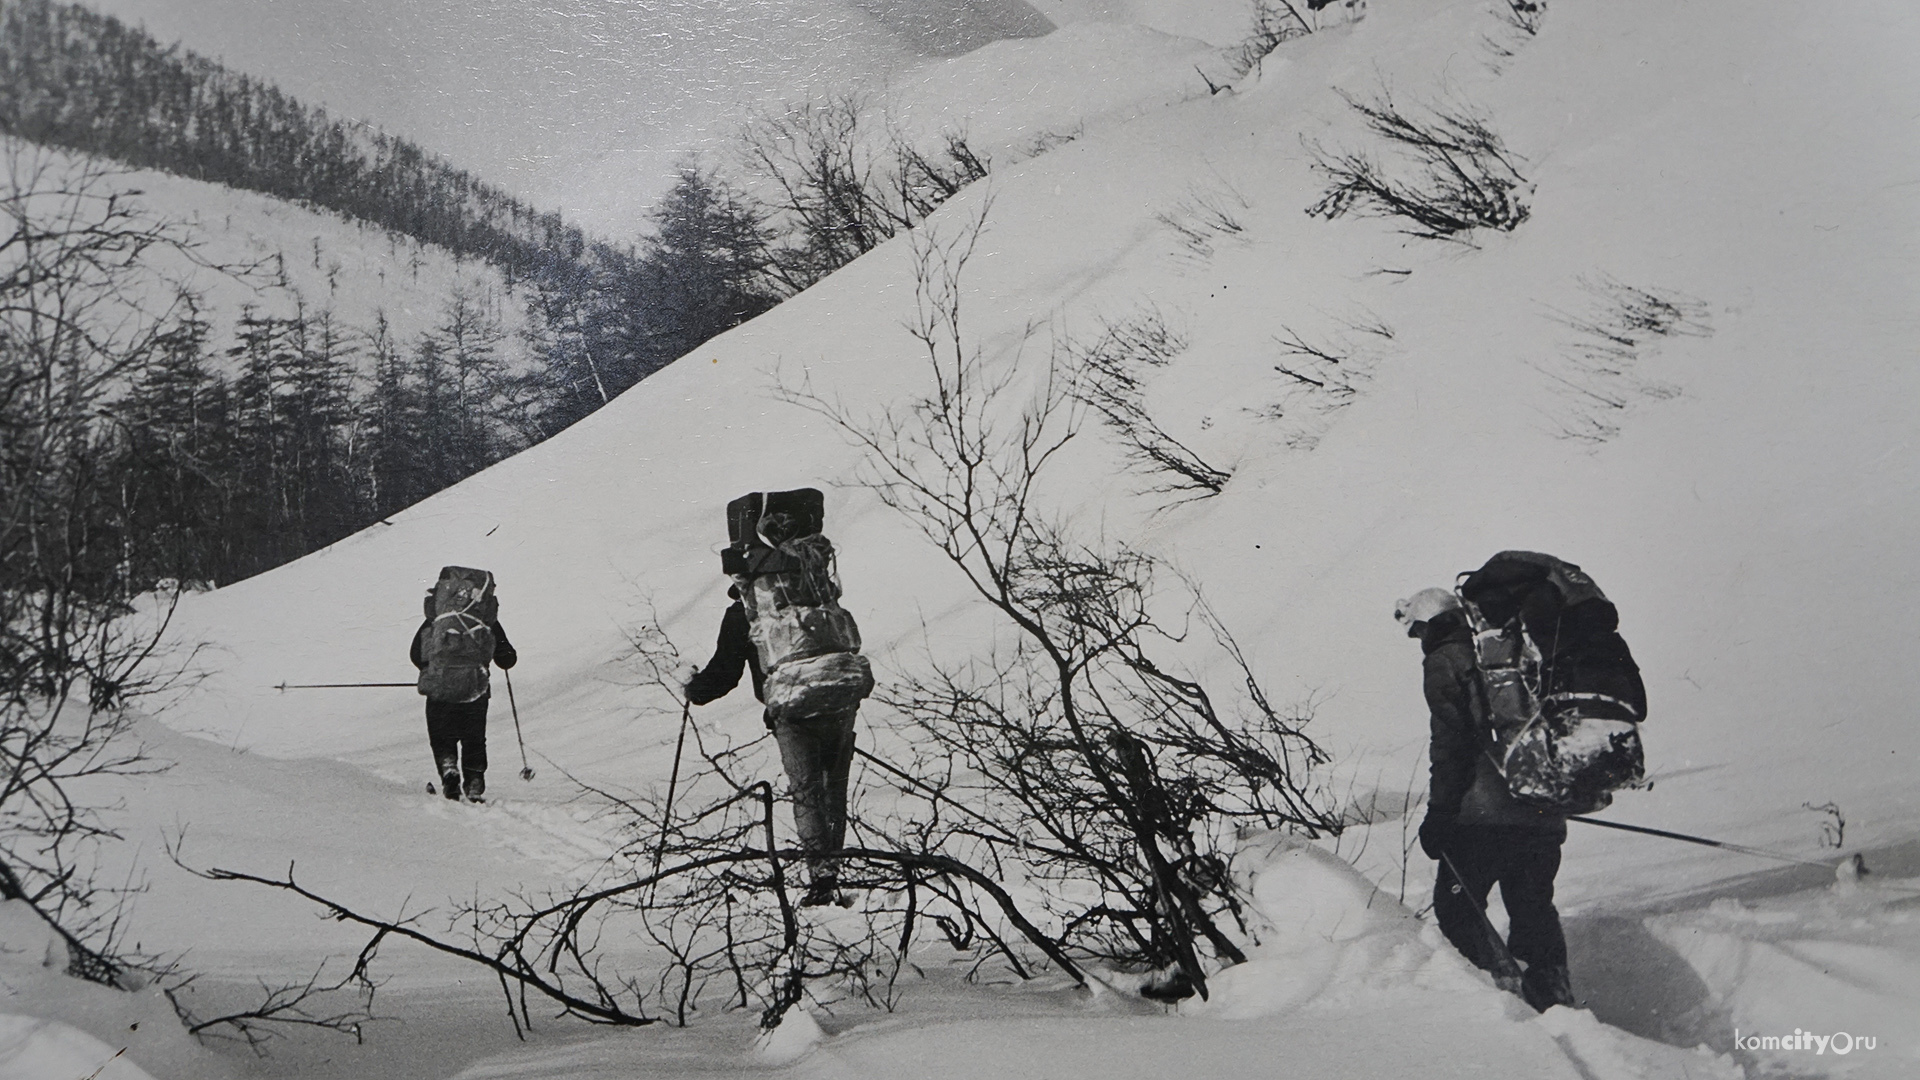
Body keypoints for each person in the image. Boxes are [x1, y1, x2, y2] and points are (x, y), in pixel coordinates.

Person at [676, 494, 870, 907]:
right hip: (840, 695)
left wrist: (693, 689)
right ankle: (832, 866)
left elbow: (724, 675)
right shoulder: (821, 592)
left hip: (792, 709)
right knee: (833, 787)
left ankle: (822, 878)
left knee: (806, 790)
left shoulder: (746, 614)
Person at [1397, 586, 1575, 1012]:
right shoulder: (1516, 652)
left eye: (1418, 632)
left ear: (1429, 626)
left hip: (1480, 819)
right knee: (1533, 909)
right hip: (1541, 810)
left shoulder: (1446, 660)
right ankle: (1556, 999)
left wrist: (1440, 814)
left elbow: (1450, 743)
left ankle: (1502, 996)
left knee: (1456, 909)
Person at [411, 584, 516, 803]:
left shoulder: (437, 619)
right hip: (475, 689)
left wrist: (432, 669)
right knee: (474, 738)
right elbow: (507, 657)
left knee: (441, 737)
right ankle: (474, 781)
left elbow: (415, 653)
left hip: (440, 691)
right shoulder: (484, 621)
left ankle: (449, 769)